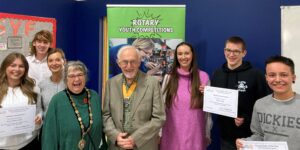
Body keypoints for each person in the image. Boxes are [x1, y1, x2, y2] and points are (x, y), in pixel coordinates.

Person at [210, 36, 270, 149]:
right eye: (228, 50)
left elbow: (266, 104)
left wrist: (246, 118)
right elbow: (215, 101)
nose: (231, 54)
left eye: (236, 51)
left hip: (250, 137)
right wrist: (207, 93)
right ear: (224, 51)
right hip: (225, 137)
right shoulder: (217, 74)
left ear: (244, 53)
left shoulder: (256, 75)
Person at [103, 45, 166, 150]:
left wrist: (136, 139)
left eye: (133, 62)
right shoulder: (111, 83)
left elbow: (159, 118)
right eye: (125, 62)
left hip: (144, 145)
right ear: (119, 63)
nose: (129, 66)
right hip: (117, 146)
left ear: (139, 62)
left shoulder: (153, 83)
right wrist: (115, 136)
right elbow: (106, 115)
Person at [236, 55, 300, 150]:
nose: (278, 80)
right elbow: (259, 135)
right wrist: (246, 143)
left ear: (293, 77)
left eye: (284, 75)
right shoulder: (260, 104)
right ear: (266, 78)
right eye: (272, 75)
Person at [42, 61, 105, 150]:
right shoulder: (57, 101)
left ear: (85, 77)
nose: (76, 79)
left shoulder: (94, 96)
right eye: (71, 76)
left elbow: (101, 130)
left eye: (80, 75)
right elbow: (49, 136)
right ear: (65, 79)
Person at [160, 42, 212, 150]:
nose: (183, 57)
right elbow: (162, 108)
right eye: (180, 54)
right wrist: (159, 133)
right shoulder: (168, 78)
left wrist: (208, 95)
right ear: (176, 56)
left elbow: (208, 112)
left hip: (195, 135)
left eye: (186, 53)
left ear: (192, 55)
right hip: (171, 134)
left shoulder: (203, 77)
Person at [0, 52, 42, 149]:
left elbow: (39, 110)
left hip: (28, 143)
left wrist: (39, 118)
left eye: (21, 66)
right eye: (13, 65)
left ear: (25, 69)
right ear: (5, 67)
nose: (17, 69)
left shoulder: (33, 88)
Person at [38, 48, 66, 116]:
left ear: (64, 62)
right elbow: (40, 109)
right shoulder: (42, 85)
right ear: (47, 64)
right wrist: (39, 116)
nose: (54, 63)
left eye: (58, 60)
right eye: (50, 61)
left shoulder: (72, 83)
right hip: (48, 125)